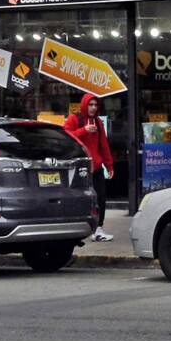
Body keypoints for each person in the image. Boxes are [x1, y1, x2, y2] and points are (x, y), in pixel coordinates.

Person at [64, 92, 115, 242]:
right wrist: (84, 130)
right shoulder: (75, 119)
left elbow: (103, 145)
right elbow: (67, 136)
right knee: (81, 198)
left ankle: (98, 229)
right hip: (80, 167)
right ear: (84, 105)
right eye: (90, 105)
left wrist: (109, 165)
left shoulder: (98, 122)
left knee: (101, 198)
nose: (93, 108)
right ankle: (79, 228)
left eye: (95, 105)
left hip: (97, 166)